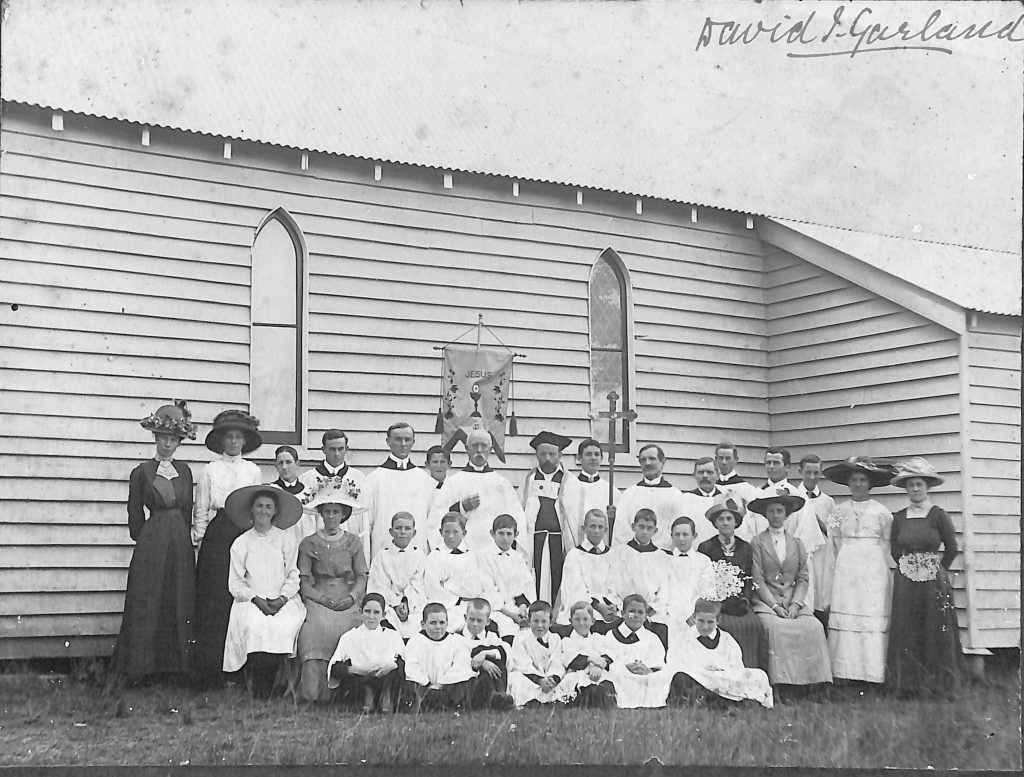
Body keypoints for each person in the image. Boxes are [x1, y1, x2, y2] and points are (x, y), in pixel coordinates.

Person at [112, 401, 197, 681]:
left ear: (178, 442)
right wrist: (149, 537)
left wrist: (180, 536)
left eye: (173, 440)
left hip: (179, 541)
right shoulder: (142, 472)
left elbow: (188, 511)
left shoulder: (185, 472)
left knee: (178, 596)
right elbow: (134, 515)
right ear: (156, 438)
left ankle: (176, 667)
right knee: (148, 598)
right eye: (163, 438)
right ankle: (141, 667)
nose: (168, 445)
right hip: (152, 539)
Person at [193, 409, 263, 682]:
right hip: (219, 533)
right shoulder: (209, 470)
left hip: (245, 532)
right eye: (228, 437)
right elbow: (201, 510)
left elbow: (258, 507)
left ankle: (242, 667)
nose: (233, 442)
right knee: (216, 598)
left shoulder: (253, 470)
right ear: (221, 441)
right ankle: (212, 668)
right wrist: (200, 541)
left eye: (238, 437)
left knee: (244, 595)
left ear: (244, 442)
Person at [885, 457, 964, 697]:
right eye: (911, 485)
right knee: (907, 627)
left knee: (935, 629)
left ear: (927, 486)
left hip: (933, 578)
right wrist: (907, 566)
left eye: (919, 484)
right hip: (907, 578)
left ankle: (939, 686)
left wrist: (938, 571)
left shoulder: (938, 515)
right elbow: (894, 549)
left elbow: (951, 548)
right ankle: (908, 685)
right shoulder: (899, 517)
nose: (915, 489)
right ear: (906, 488)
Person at [221, 485, 307, 697]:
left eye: (268, 506)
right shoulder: (241, 543)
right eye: (259, 506)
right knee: (255, 625)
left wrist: (282, 599)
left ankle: (278, 684)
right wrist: (256, 599)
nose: (263, 511)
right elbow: (236, 583)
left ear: (275, 511)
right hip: (251, 599)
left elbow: (293, 574)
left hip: (282, 598)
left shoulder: (286, 539)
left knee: (282, 625)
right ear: (251, 509)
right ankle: (259, 687)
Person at [295, 478, 370, 702]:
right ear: (320, 513)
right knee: (316, 628)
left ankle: (350, 694)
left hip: (347, 595)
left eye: (336, 512)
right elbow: (303, 581)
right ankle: (316, 693)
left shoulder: (353, 541)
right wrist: (321, 598)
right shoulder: (309, 543)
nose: (331, 517)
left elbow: (362, 575)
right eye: (326, 512)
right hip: (319, 596)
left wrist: (353, 597)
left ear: (344, 514)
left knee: (352, 626)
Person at [823, 456, 897, 685]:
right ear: (848, 483)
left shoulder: (882, 512)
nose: (857, 484)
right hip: (846, 570)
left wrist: (876, 564)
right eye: (853, 479)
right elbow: (833, 542)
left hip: (873, 570)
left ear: (870, 483)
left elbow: (887, 543)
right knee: (846, 616)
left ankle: (872, 674)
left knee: (870, 618)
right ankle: (844, 673)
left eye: (862, 479)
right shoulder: (838, 511)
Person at [748, 493, 833, 690]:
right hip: (767, 601)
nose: (776, 516)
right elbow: (757, 578)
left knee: (814, 627)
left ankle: (815, 683)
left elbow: (803, 577)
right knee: (775, 628)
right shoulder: (757, 542)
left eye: (780, 511)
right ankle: (783, 684)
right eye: (771, 512)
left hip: (792, 600)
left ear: (786, 515)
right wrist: (775, 606)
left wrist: (796, 604)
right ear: (765, 515)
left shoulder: (796, 543)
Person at [429, 428, 527, 555]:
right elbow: (436, 518)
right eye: (475, 445)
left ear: (490, 449)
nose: (479, 450)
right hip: (462, 552)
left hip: (493, 553)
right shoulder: (453, 482)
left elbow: (516, 519)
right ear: (466, 448)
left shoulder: (502, 484)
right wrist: (460, 507)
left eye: (484, 446)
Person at [697, 495, 767, 671]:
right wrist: (716, 602)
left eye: (729, 519)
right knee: (723, 625)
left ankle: (751, 672)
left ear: (736, 522)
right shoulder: (706, 547)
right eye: (721, 519)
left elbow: (750, 578)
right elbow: (703, 579)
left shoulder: (746, 547)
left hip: (740, 602)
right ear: (715, 523)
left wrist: (745, 600)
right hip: (715, 603)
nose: (725, 523)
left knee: (754, 625)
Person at [666, 599, 773, 709]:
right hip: (698, 678)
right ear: (694, 618)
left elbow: (736, 667)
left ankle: (717, 700)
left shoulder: (726, 640)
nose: (705, 626)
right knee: (681, 678)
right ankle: (714, 701)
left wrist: (721, 671)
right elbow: (674, 664)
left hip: (721, 679)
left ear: (718, 621)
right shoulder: (684, 638)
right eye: (701, 621)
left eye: (710, 622)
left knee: (760, 675)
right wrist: (701, 671)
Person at [757, 448, 824, 610]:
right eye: (768, 463)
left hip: (793, 568)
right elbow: (752, 531)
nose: (771, 467)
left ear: (787, 467)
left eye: (776, 463)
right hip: (766, 567)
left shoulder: (801, 498)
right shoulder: (758, 495)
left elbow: (809, 534)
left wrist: (788, 560)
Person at [363, 422, 439, 563]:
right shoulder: (374, 479)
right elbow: (367, 524)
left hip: (417, 556)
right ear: (388, 442)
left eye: (407, 439)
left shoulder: (424, 480)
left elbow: (432, 523)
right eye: (398, 439)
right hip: (383, 554)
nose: (403, 444)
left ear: (413, 442)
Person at [327, 593, 406, 713]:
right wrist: (356, 669)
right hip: (360, 679)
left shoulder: (392, 636)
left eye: (376, 612)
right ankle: (366, 700)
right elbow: (334, 668)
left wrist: (392, 666)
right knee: (359, 681)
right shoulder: (350, 637)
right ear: (360, 612)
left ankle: (386, 699)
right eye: (367, 611)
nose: (371, 617)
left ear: (383, 615)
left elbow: (405, 662)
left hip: (385, 678)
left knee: (394, 675)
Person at [521, 431, 574, 608]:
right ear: (536, 455)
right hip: (534, 539)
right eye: (543, 454)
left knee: (558, 576)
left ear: (560, 455)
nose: (547, 458)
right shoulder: (529, 480)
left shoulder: (570, 481)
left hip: (559, 540)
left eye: (552, 454)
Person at [424, 512, 496, 632]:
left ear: (464, 533)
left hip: (471, 606)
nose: (451, 536)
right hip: (447, 607)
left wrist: (447, 585)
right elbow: (433, 589)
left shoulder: (472, 556)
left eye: (455, 532)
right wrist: (457, 599)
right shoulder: (435, 557)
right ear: (440, 532)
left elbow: (475, 588)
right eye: (447, 532)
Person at [609, 509, 669, 648]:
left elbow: (665, 588)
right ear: (633, 526)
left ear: (655, 530)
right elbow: (613, 583)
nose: (645, 532)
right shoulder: (620, 552)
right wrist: (621, 608)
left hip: (650, 613)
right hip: (624, 612)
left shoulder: (661, 556)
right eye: (641, 527)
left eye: (649, 528)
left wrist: (651, 609)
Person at [366, 512, 429, 640]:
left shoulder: (420, 556)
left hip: (413, 605)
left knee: (419, 621)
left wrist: (406, 602)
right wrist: (396, 603)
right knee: (386, 622)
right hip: (390, 606)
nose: (402, 532)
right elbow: (379, 585)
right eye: (398, 528)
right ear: (391, 531)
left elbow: (418, 584)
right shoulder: (382, 557)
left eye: (407, 528)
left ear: (414, 532)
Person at [401, 603, 475, 711]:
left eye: (441, 623)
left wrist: (442, 683)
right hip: (424, 686)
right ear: (423, 624)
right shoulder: (415, 641)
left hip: (447, 686)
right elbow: (413, 667)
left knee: (465, 684)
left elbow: (460, 666)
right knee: (410, 686)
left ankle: (449, 704)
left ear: (447, 623)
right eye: (432, 623)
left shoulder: (456, 641)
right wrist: (427, 683)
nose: (438, 627)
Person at [611, 444, 688, 548]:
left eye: (652, 459)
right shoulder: (629, 494)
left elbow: (678, 528)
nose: (647, 463)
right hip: (633, 553)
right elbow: (621, 528)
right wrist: (637, 548)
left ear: (663, 461)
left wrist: (656, 550)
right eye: (643, 460)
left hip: (664, 554)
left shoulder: (675, 495)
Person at [604, 594, 673, 709]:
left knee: (666, 674)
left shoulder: (652, 637)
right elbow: (609, 658)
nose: (636, 615)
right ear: (623, 614)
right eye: (631, 611)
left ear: (646, 615)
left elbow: (659, 661)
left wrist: (648, 669)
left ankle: (651, 702)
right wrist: (626, 667)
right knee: (615, 672)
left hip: (646, 675)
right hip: (623, 674)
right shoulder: (611, 635)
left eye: (640, 612)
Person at [556, 508, 619, 633]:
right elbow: (574, 589)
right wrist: (597, 606)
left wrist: (612, 604)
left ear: (606, 530)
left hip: (607, 609)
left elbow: (615, 585)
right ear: (584, 528)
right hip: (585, 608)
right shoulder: (574, 555)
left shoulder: (612, 555)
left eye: (600, 527)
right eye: (592, 526)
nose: (596, 531)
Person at [794, 454, 837, 630]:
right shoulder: (794, 497)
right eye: (808, 472)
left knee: (820, 600)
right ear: (800, 472)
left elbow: (834, 533)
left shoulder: (828, 502)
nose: (812, 477)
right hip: (801, 555)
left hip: (822, 558)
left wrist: (820, 524)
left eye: (816, 473)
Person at [299, 430, 367, 538]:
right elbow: (305, 522)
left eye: (340, 449)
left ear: (346, 449)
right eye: (332, 449)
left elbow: (363, 519)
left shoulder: (358, 478)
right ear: (323, 450)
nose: (337, 454)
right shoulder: (307, 479)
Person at [477, 514, 534, 640]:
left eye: (509, 534)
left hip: (516, 609)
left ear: (516, 535)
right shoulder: (484, 556)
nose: (505, 538)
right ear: (492, 534)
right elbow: (488, 589)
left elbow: (526, 585)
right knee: (507, 629)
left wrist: (523, 608)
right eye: (501, 533)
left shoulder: (517, 557)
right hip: (497, 609)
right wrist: (511, 615)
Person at [554, 601, 616, 709]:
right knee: (587, 689)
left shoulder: (598, 638)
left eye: (585, 619)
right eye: (577, 619)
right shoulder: (567, 641)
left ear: (593, 621)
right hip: (578, 675)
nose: (581, 623)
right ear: (570, 621)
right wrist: (591, 659)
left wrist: (598, 666)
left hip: (597, 673)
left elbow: (608, 654)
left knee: (607, 686)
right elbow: (571, 660)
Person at [561, 438, 620, 550]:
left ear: (602, 458)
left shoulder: (612, 491)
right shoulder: (570, 488)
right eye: (588, 454)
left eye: (597, 454)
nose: (593, 458)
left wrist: (612, 518)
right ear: (579, 458)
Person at [662, 516, 712, 644]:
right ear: (671, 536)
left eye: (685, 534)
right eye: (677, 535)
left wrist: (696, 614)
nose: (681, 539)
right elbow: (662, 589)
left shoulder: (704, 561)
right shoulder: (664, 559)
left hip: (694, 613)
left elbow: (707, 591)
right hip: (669, 612)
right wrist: (667, 611)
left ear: (694, 536)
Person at [506, 601, 565, 708]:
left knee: (567, 680)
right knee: (515, 678)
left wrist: (552, 679)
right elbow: (522, 664)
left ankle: (550, 699)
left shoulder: (555, 638)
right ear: (529, 621)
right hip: (530, 679)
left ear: (550, 622)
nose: (540, 625)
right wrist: (539, 680)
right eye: (535, 621)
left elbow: (556, 662)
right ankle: (532, 701)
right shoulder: (520, 638)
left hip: (549, 680)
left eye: (544, 621)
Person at [460, 599, 515, 710]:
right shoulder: (458, 638)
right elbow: (460, 659)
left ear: (488, 621)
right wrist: (482, 663)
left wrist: (485, 654)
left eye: (479, 621)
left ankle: (499, 695)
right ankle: (492, 698)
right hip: (471, 680)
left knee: (496, 655)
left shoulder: (492, 637)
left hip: (493, 678)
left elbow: (505, 653)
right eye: (471, 619)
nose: (475, 624)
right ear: (465, 618)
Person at [678, 457, 732, 543]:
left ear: (718, 475)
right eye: (700, 472)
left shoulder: (726, 500)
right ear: (694, 475)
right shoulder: (685, 499)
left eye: (709, 472)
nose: (705, 476)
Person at [272, 445, 315, 547]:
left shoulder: (309, 493)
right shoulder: (272, 491)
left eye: (288, 462)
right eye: (280, 463)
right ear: (276, 466)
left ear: (297, 464)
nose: (284, 467)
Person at [713, 442, 759, 508]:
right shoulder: (712, 487)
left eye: (728, 458)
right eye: (721, 458)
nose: (724, 462)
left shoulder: (746, 488)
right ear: (716, 459)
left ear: (736, 460)